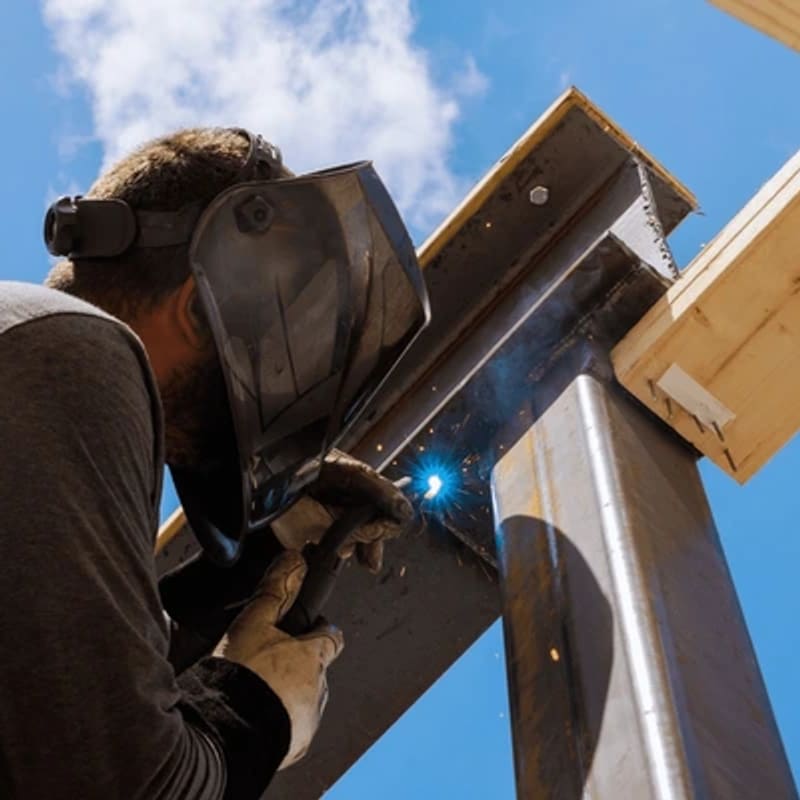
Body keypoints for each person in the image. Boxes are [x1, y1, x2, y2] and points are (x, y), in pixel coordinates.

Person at [0, 127, 421, 798]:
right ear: (200, 309)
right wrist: (259, 709)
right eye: (281, 350)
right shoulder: (72, 350)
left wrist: (262, 558)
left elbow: (76, 688)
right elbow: (127, 782)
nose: (277, 395)